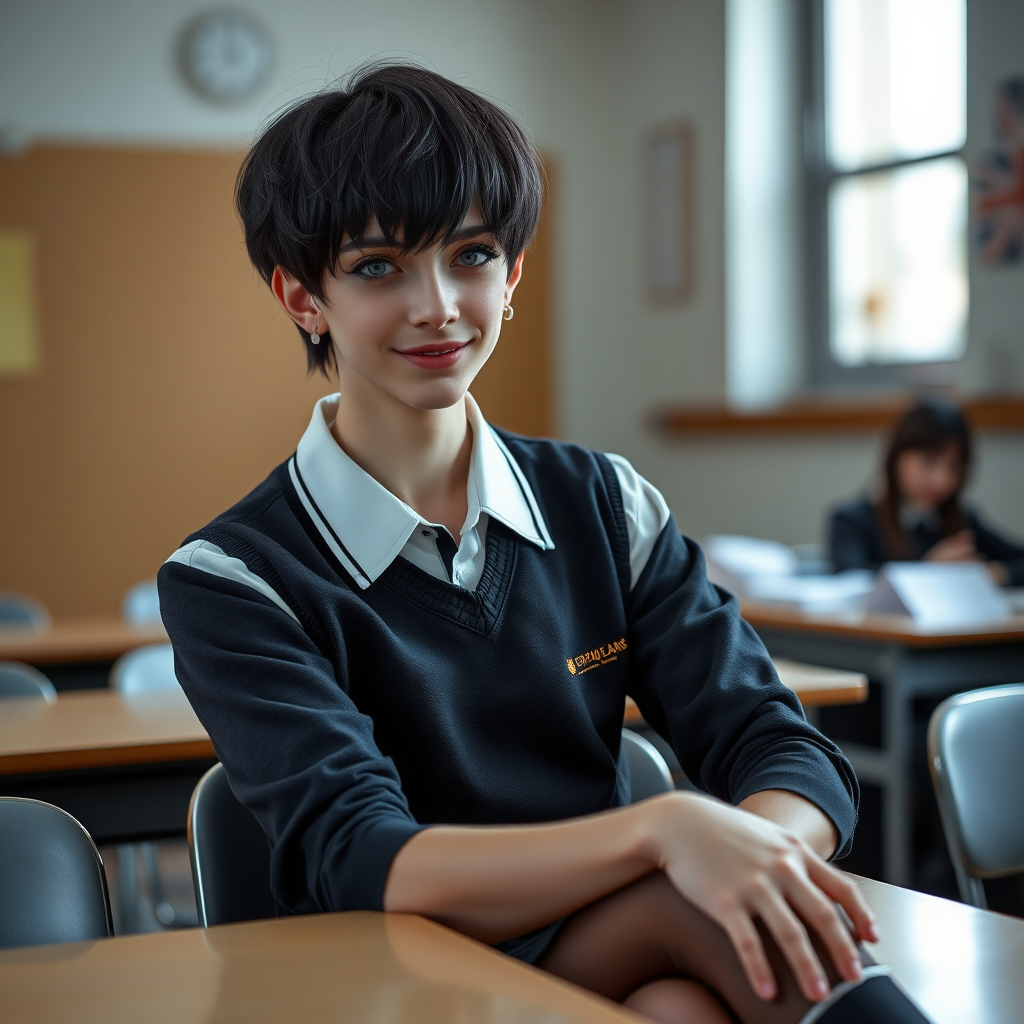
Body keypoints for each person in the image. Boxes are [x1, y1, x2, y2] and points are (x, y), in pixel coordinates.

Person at [159, 65, 928, 1024]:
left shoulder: (604, 502)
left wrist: (752, 858)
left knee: (681, 1004)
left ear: (513, 273)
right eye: (375, 267)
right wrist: (666, 834)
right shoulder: (232, 578)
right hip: (387, 980)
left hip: (616, 933)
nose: (437, 304)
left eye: (471, 255)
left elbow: (782, 748)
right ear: (300, 297)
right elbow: (364, 860)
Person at [830, 399, 1024, 585]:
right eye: (928, 462)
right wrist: (926, 571)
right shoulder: (852, 520)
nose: (941, 481)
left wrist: (991, 573)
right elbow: (851, 580)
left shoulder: (961, 519)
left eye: (954, 467)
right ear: (896, 456)